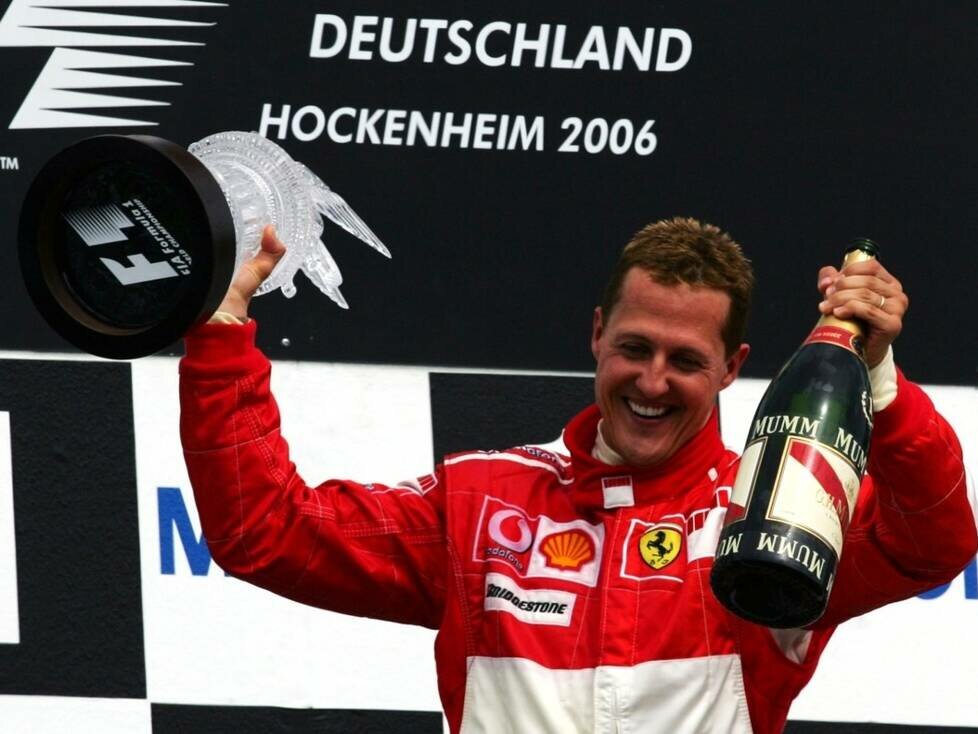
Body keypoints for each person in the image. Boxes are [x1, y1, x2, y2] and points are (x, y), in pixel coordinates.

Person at [179, 217, 976, 733]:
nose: (652, 381)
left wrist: (877, 377)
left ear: (732, 368)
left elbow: (932, 543)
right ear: (597, 334)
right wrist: (221, 333)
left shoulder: (771, 512)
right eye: (634, 348)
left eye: (685, 360)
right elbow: (265, 532)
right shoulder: (483, 502)